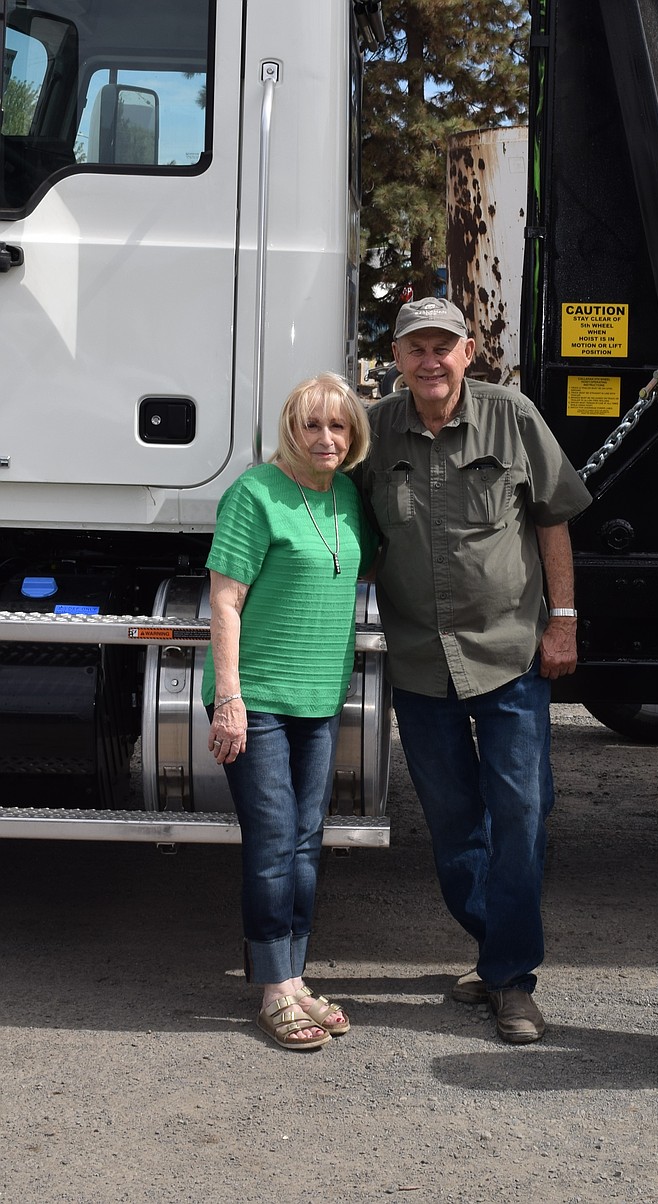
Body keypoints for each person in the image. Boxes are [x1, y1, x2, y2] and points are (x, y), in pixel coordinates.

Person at [357, 297, 591, 1044]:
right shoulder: (375, 429)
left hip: (509, 653)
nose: (430, 361)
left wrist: (563, 620)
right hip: (421, 661)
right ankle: (494, 951)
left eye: (443, 347)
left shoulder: (512, 415)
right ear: (397, 358)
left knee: (520, 814)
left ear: (468, 352)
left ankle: (513, 980)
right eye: (415, 348)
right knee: (454, 824)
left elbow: (552, 516)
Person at [204, 372, 376, 1051]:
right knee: (274, 843)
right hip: (261, 700)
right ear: (290, 430)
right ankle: (274, 988)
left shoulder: (345, 497)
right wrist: (229, 700)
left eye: (339, 426)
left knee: (308, 845)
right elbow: (224, 601)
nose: (327, 438)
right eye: (313, 425)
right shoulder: (254, 493)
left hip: (319, 700)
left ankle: (296, 979)